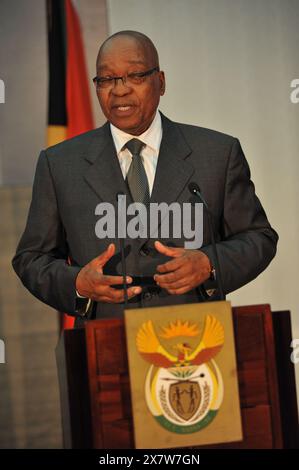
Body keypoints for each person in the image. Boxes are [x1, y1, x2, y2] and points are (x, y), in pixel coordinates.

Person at [12, 31, 278, 325]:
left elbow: (258, 237)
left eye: (135, 75)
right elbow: (31, 259)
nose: (120, 90)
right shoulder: (59, 164)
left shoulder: (217, 153)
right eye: (106, 79)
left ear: (160, 82)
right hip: (105, 346)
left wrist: (208, 264)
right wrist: (77, 283)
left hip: (197, 339)